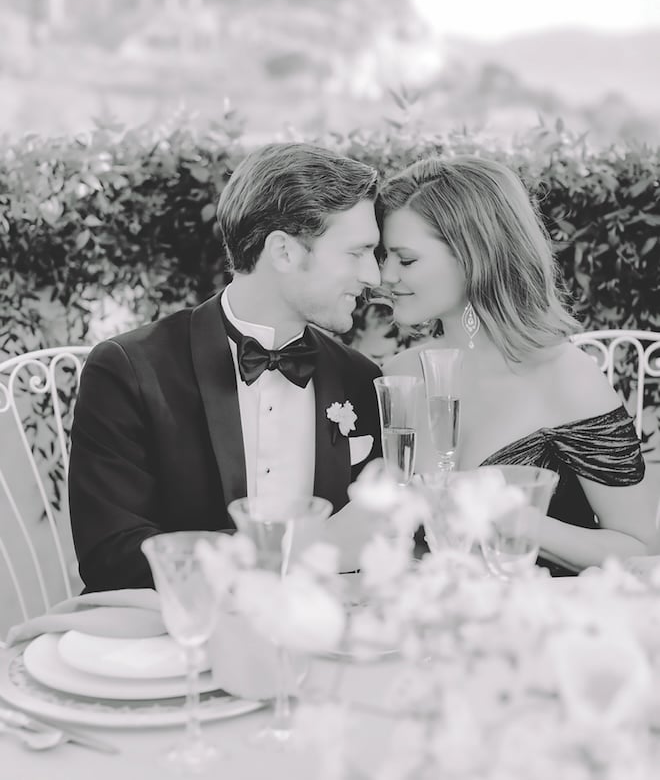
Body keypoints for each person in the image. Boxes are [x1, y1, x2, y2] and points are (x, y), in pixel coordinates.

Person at [69, 143, 383, 592]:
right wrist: (303, 550)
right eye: (357, 253)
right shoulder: (128, 371)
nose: (372, 275)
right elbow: (112, 557)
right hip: (173, 645)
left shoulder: (361, 379)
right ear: (284, 252)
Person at [378, 155, 659, 575]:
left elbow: (642, 549)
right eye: (383, 256)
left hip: (539, 625)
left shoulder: (566, 376)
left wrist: (519, 522)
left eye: (406, 260)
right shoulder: (397, 374)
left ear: (474, 255)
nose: (385, 276)